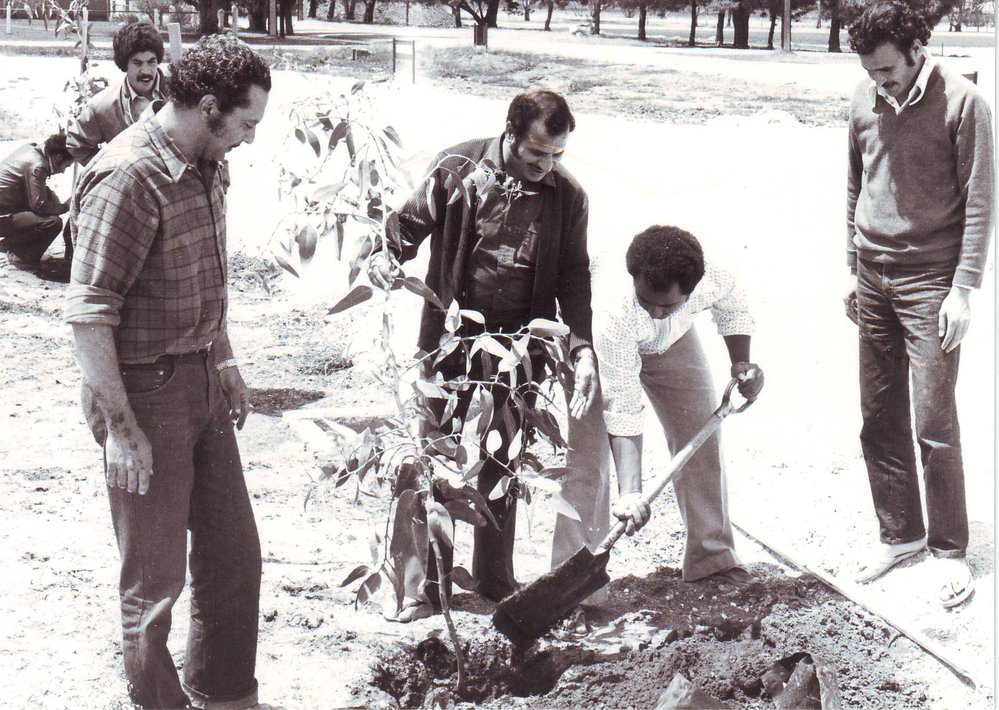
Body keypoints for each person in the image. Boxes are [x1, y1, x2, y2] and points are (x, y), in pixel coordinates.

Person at [64, 35, 271, 709]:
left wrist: (224, 355)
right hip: (142, 394)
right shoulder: (127, 177)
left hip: (202, 380)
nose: (249, 138)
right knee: (154, 583)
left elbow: (200, 278)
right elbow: (89, 316)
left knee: (234, 555)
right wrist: (122, 431)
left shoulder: (209, 162)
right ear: (208, 108)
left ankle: (225, 695)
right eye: (245, 124)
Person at [371, 88, 598, 622]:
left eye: (557, 156)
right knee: (439, 456)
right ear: (510, 134)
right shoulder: (457, 169)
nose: (546, 166)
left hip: (517, 351)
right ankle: (425, 584)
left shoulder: (567, 197)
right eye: (535, 154)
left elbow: (575, 275)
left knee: (502, 458)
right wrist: (383, 256)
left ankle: (494, 576)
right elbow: (406, 227)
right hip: (451, 340)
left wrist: (581, 347)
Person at [845, 1, 993, 608]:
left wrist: (963, 289)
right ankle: (900, 534)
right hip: (872, 276)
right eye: (871, 72)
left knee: (934, 422)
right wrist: (851, 269)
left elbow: (981, 202)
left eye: (888, 70)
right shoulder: (861, 97)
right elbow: (853, 185)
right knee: (877, 415)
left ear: (917, 51)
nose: (879, 81)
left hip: (931, 280)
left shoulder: (965, 103)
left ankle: (949, 550)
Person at [554, 225, 764, 594]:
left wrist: (741, 364)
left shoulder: (711, 276)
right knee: (588, 462)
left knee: (701, 438)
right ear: (634, 280)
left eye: (667, 304)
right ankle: (572, 587)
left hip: (674, 341)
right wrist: (630, 493)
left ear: (692, 289)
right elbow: (623, 403)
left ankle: (712, 559)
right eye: (647, 300)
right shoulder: (615, 309)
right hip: (599, 347)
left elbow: (733, 308)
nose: (655, 311)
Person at [66, 21, 167, 167]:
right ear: (124, 64)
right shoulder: (102, 105)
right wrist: (111, 170)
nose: (146, 71)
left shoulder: (179, 91)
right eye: (137, 63)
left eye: (151, 62)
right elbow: (77, 145)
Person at [0, 133, 73, 265]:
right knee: (52, 223)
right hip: (3, 217)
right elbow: (39, 205)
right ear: (58, 157)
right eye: (66, 166)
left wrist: (50, 194)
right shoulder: (38, 165)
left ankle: (11, 247)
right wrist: (66, 206)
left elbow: (34, 187)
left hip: (5, 209)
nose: (63, 171)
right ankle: (16, 252)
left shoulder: (31, 149)